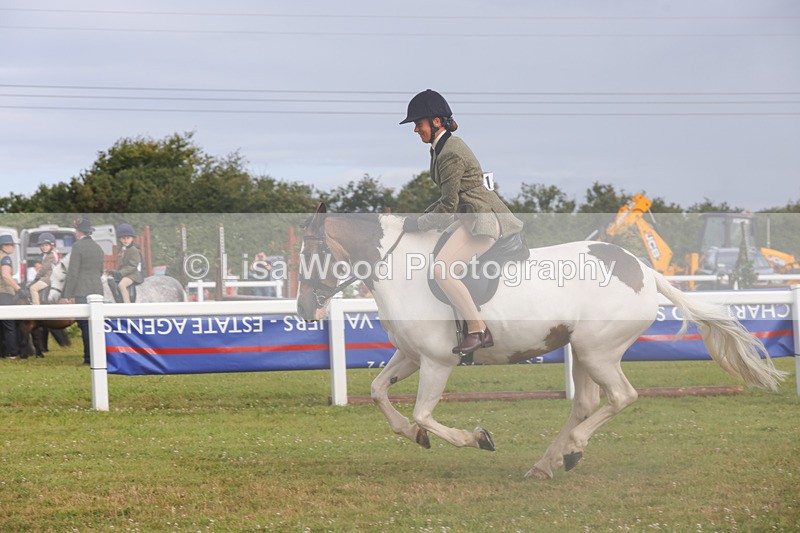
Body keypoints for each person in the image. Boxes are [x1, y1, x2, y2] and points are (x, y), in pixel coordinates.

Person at [399, 89, 524, 356]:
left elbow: (447, 205)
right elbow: (446, 200)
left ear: (435, 122)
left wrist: (418, 224)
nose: (415, 130)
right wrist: (420, 219)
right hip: (470, 216)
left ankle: (478, 330)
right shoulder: (440, 149)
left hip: (482, 219)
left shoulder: (450, 153)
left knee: (442, 270)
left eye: (418, 124)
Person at [61, 217, 104, 365]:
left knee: (85, 326)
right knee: (96, 325)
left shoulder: (78, 246)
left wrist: (68, 294)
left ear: (79, 232)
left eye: (76, 231)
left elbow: (73, 272)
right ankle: (99, 356)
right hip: (98, 290)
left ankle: (88, 358)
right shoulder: (98, 247)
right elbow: (100, 270)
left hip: (82, 291)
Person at [108, 223, 143, 304]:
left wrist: (121, 273)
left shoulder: (134, 250)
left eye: (128, 238)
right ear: (120, 239)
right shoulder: (123, 249)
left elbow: (133, 265)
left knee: (121, 285)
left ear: (132, 239)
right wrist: (115, 272)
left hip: (132, 275)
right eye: (123, 238)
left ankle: (127, 304)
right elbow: (121, 264)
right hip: (126, 274)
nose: (126, 240)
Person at [0, 234, 22, 359]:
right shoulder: (6, 258)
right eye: (11, 245)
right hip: (4, 293)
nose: (13, 247)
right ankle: (12, 353)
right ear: (4, 246)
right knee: (9, 324)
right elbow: (6, 275)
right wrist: (18, 289)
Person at [28, 232, 59, 305]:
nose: (44, 247)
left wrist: (36, 278)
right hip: (48, 277)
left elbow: (43, 270)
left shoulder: (50, 256)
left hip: (48, 278)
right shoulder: (47, 255)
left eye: (46, 245)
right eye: (42, 245)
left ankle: (36, 308)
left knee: (33, 288)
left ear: (51, 245)